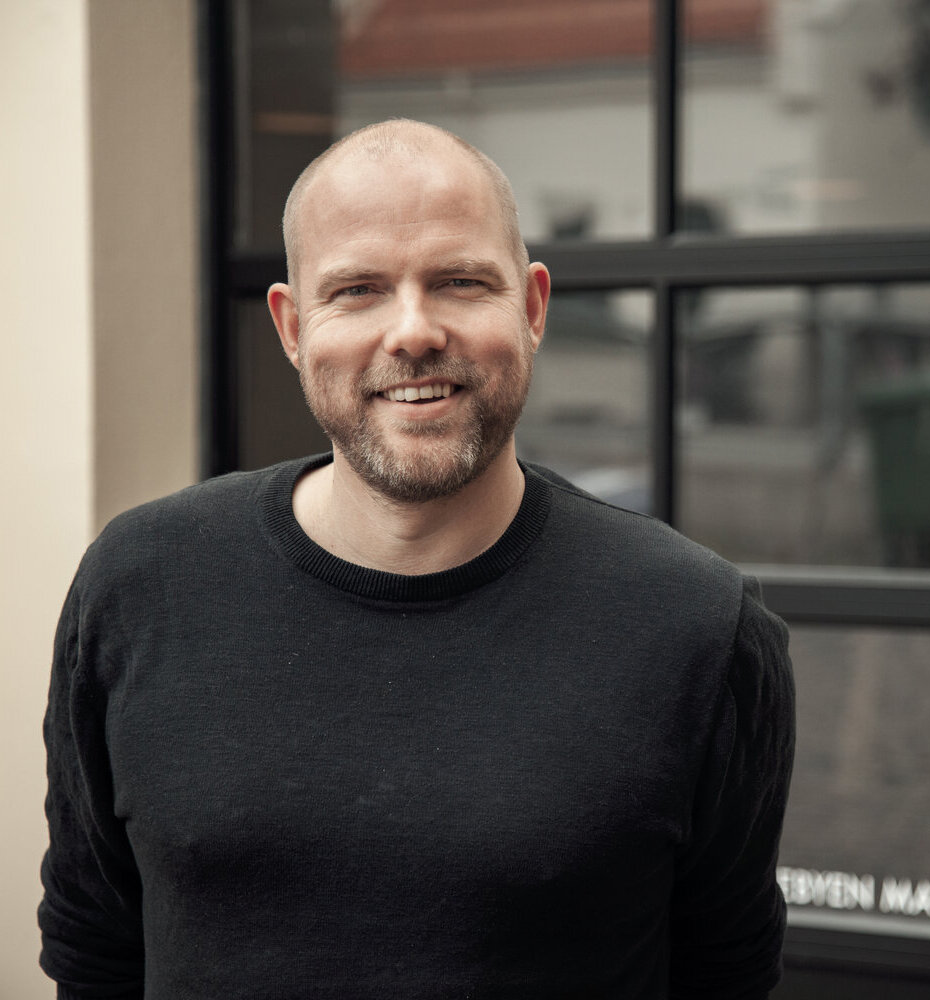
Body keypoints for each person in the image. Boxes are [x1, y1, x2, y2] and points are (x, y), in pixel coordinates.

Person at [39, 119, 795, 999]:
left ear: (533, 308)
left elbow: (726, 976)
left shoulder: (696, 627)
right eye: (357, 289)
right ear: (292, 326)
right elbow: (94, 953)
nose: (413, 332)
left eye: (460, 282)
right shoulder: (139, 587)